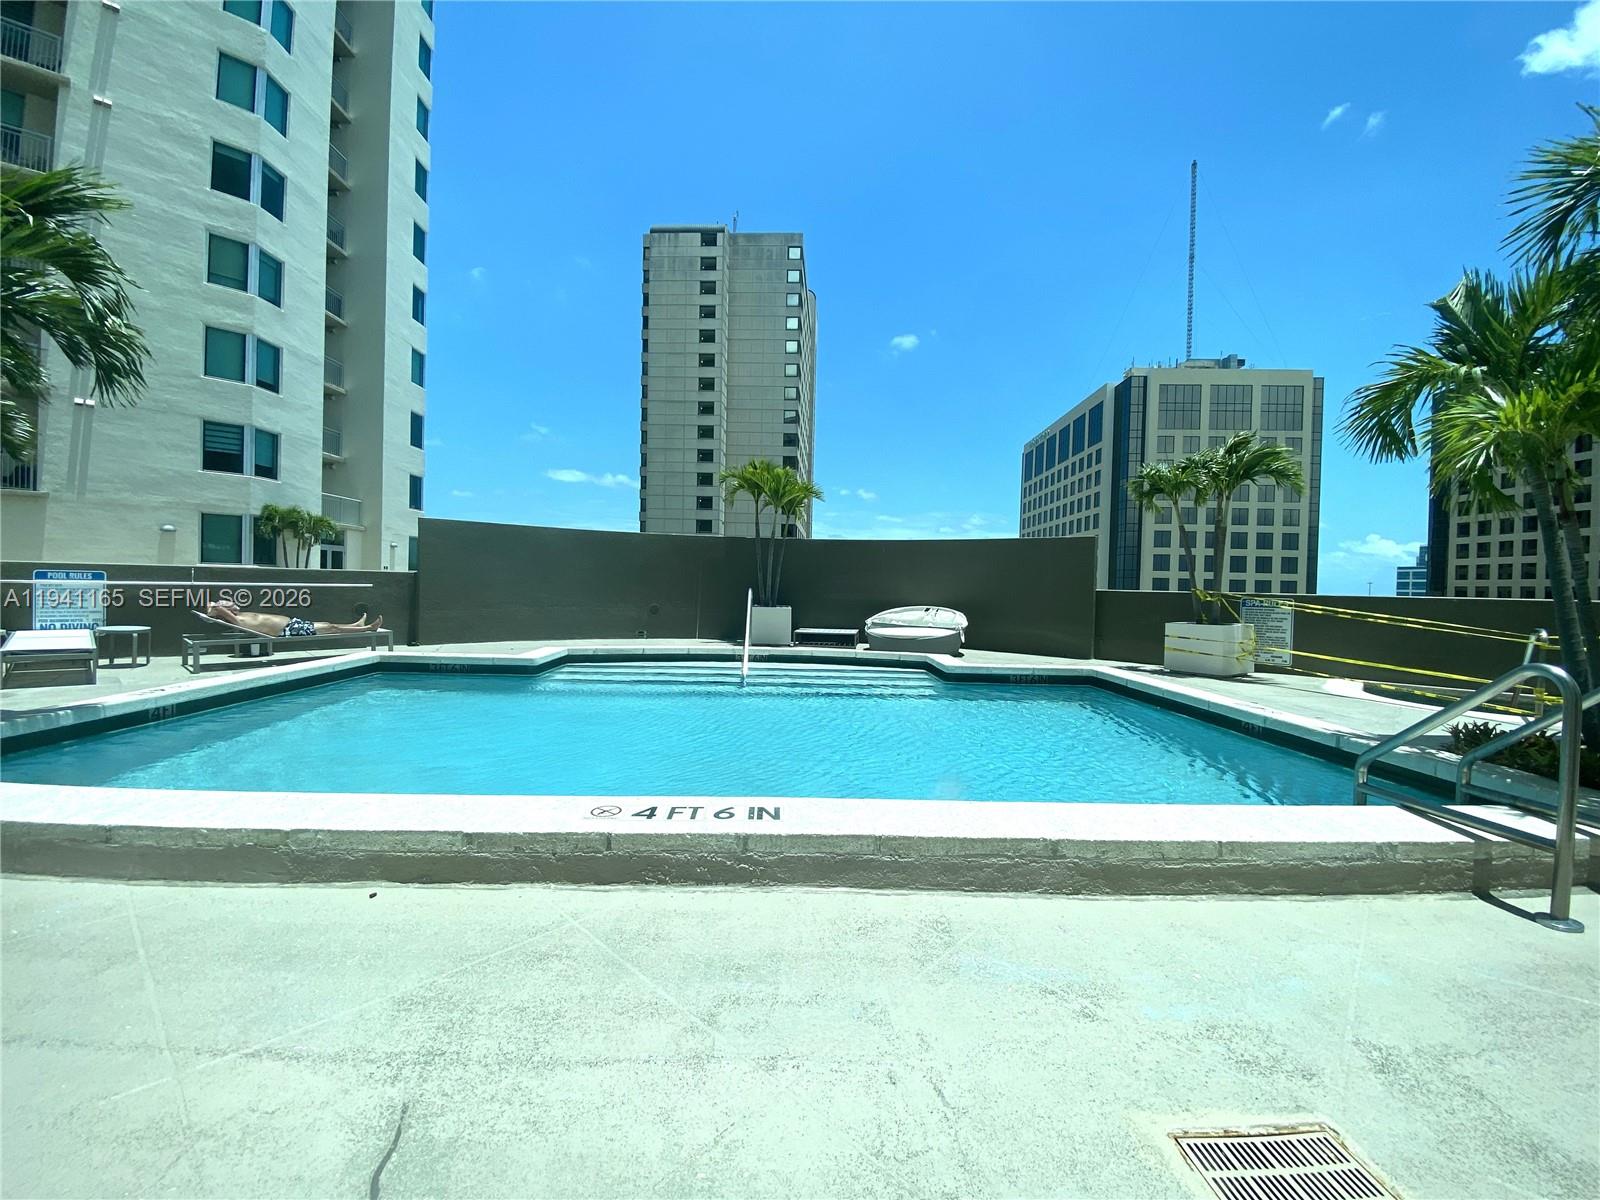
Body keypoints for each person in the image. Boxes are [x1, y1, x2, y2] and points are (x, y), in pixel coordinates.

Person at [199, 601, 383, 638]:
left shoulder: (239, 614)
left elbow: (216, 604)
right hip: (287, 631)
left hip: (291, 624)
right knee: (331, 627)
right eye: (226, 604)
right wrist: (217, 609)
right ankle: (367, 629)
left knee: (329, 625)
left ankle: (356, 625)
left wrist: (219, 606)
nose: (231, 603)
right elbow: (214, 606)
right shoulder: (237, 620)